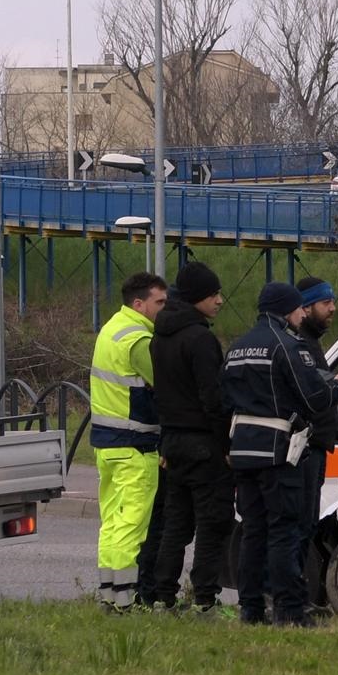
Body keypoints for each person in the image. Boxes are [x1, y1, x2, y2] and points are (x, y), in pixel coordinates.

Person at [222, 282, 338, 626]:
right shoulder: (288, 345)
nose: (300, 315)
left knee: (253, 530)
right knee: (284, 531)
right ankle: (289, 610)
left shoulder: (236, 348)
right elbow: (314, 399)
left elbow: (224, 403)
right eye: (298, 309)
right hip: (279, 452)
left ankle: (250, 609)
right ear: (287, 310)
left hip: (243, 450)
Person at [148, 261, 236, 615]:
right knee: (211, 524)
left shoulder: (160, 335)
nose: (219, 301)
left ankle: (162, 597)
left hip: (173, 444)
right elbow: (212, 398)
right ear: (198, 297)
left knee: (176, 525)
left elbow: (162, 393)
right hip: (204, 445)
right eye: (213, 294)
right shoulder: (200, 338)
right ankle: (204, 600)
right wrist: (227, 445)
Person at [89, 272, 168, 612]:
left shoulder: (111, 328)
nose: (164, 309)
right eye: (160, 302)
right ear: (140, 304)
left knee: (112, 524)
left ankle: (109, 595)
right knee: (131, 528)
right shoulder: (138, 339)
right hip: (135, 445)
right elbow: (165, 382)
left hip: (107, 445)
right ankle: (124, 602)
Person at [293, 275, 338, 608]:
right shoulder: (300, 345)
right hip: (304, 448)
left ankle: (298, 597)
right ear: (306, 307)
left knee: (306, 524)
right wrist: (337, 384)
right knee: (299, 525)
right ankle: (295, 599)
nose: (333, 309)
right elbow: (310, 392)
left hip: (315, 446)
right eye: (326, 303)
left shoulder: (310, 342)